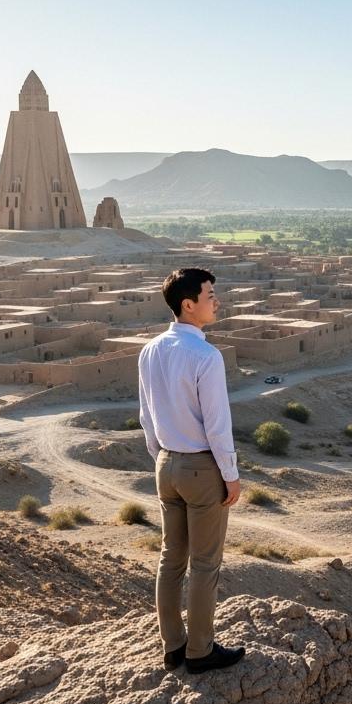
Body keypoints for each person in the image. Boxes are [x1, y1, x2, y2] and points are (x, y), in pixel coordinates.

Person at [138, 267, 245, 673]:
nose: (216, 301)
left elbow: (146, 417)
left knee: (170, 560)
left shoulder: (149, 350)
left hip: (165, 464)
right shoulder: (205, 355)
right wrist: (229, 474)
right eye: (210, 295)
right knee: (204, 565)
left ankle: (173, 647)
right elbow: (218, 425)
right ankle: (201, 652)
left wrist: (164, 458)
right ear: (189, 304)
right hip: (202, 468)